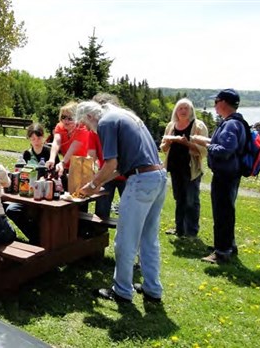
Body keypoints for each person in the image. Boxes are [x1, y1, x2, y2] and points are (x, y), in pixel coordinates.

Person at [76, 101, 167, 303]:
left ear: (90, 117)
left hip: (141, 180)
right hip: (158, 177)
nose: (90, 130)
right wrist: (98, 183)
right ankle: (153, 289)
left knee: (125, 239)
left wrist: (91, 185)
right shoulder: (124, 115)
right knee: (148, 237)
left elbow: (111, 163)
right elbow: (119, 168)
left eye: (86, 125)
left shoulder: (106, 122)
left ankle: (122, 291)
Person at [191, 89, 246, 264]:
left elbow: (225, 150)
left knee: (222, 213)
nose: (215, 105)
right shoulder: (235, 122)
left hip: (225, 175)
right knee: (227, 211)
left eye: (216, 102)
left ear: (223, 103)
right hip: (230, 174)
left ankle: (222, 252)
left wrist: (208, 146)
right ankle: (228, 245)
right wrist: (207, 141)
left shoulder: (230, 124)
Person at [160, 98, 208, 238]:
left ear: (191, 110)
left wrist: (187, 144)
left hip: (191, 168)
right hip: (175, 168)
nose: (183, 111)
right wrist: (169, 142)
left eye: (186, 108)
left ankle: (191, 231)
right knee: (179, 198)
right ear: (176, 111)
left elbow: (204, 150)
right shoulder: (171, 125)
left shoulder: (198, 126)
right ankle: (179, 228)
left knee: (191, 200)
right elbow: (163, 147)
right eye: (180, 108)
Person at [5, 123, 58, 245]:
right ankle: (35, 236)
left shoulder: (50, 153)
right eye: (33, 138)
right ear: (29, 139)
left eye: (39, 138)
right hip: (27, 193)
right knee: (11, 209)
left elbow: (56, 175)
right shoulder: (27, 154)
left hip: (45, 193)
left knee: (41, 213)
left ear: (43, 137)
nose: (36, 141)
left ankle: (41, 239)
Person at [91, 93, 126, 219]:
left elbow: (114, 162)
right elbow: (91, 155)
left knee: (129, 210)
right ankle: (100, 235)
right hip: (106, 173)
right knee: (101, 209)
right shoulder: (93, 130)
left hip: (126, 175)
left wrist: (94, 183)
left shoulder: (112, 125)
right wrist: (93, 169)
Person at [46, 101, 91, 190]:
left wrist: (62, 162)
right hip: (67, 166)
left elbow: (73, 147)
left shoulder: (83, 128)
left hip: (81, 166)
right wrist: (51, 159)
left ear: (77, 118)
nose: (66, 121)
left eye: (70, 118)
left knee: (78, 195)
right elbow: (56, 142)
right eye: (63, 117)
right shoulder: (60, 126)